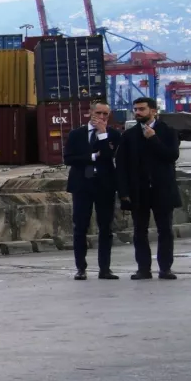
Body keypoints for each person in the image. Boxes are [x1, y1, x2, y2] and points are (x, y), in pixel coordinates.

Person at [115, 96, 181, 280]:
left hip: (162, 190)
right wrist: (123, 192)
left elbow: (171, 156)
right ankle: (143, 269)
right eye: (135, 109)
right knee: (139, 231)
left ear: (153, 111)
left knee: (165, 230)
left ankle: (165, 268)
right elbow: (121, 167)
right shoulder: (129, 135)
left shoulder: (168, 132)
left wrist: (153, 139)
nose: (137, 112)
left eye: (141, 109)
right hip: (139, 191)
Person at [64, 100, 121, 280]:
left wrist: (103, 135)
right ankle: (81, 267)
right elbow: (69, 158)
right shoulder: (76, 134)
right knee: (80, 227)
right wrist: (92, 156)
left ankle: (105, 268)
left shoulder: (113, 134)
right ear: (90, 113)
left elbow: (109, 156)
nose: (102, 117)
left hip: (104, 185)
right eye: (99, 113)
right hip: (82, 185)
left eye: (106, 114)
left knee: (106, 228)